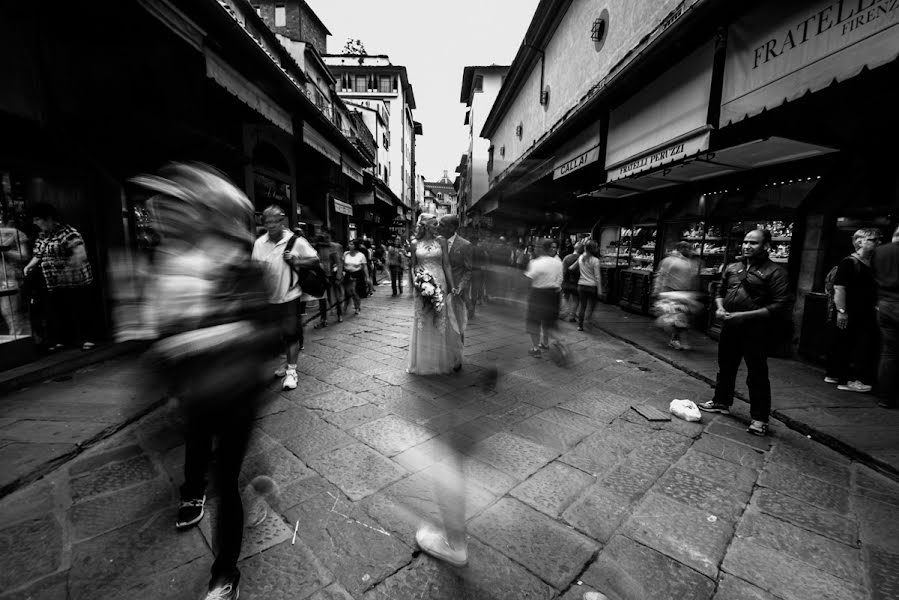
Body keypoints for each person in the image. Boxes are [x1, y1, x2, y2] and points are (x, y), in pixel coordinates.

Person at [130, 163, 279, 600]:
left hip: (235, 395)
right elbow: (159, 331)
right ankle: (193, 493)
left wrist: (197, 338)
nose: (173, 219)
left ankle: (224, 573)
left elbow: (266, 332)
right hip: (194, 394)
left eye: (185, 209)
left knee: (225, 481)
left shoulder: (242, 267)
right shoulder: (171, 263)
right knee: (199, 454)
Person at [698, 229, 791, 436]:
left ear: (766, 246)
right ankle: (721, 401)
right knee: (726, 366)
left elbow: (781, 304)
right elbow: (720, 291)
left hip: (757, 329)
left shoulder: (775, 272)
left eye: (754, 243)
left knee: (756, 373)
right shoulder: (733, 267)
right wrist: (720, 308)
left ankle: (759, 418)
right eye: (745, 242)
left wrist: (745, 316)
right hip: (730, 325)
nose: (747, 246)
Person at [251, 205, 319, 390]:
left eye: (274, 221)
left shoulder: (295, 241)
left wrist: (297, 261)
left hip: (290, 296)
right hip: (269, 298)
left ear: (282, 221)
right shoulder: (259, 243)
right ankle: (284, 363)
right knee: (276, 336)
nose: (271, 225)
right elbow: (256, 269)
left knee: (291, 335)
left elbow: (315, 260)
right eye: (267, 222)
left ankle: (292, 372)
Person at [23, 202, 96, 351]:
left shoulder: (68, 232)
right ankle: (61, 340)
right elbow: (38, 254)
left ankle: (85, 339)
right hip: (54, 281)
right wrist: (30, 265)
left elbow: (81, 253)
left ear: (48, 218)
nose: (35, 222)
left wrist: (69, 268)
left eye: (37, 219)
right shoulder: (42, 236)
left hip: (75, 280)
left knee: (77, 309)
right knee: (58, 310)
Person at [824, 228, 882, 393]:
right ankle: (846, 380)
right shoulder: (849, 262)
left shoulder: (869, 262)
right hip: (851, 311)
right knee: (851, 345)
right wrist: (842, 311)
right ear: (860, 241)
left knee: (843, 342)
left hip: (860, 310)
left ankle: (834, 374)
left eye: (879, 239)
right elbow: (839, 288)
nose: (878, 243)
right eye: (873, 240)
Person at [407, 213, 458, 375]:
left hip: (440, 283)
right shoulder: (414, 243)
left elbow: (447, 265)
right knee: (423, 319)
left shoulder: (441, 241)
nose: (438, 227)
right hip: (422, 284)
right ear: (425, 225)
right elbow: (413, 266)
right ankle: (423, 362)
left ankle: (440, 361)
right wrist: (416, 282)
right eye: (434, 224)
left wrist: (452, 286)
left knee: (439, 319)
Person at [438, 215, 473, 369]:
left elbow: (468, 270)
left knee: (457, 326)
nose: (439, 226)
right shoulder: (436, 242)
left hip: (456, 293)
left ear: (452, 228)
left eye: (442, 224)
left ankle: (457, 358)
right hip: (438, 290)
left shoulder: (465, 245)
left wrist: (460, 286)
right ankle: (443, 355)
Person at [652, 241, 701, 350]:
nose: (689, 250)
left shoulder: (691, 262)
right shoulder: (669, 261)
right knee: (676, 319)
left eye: (689, 248)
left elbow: (692, 278)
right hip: (670, 292)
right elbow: (660, 275)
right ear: (680, 248)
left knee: (680, 319)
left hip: (684, 294)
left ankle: (676, 338)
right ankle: (675, 338)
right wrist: (657, 290)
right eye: (686, 248)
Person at [870, 224, 899, 408]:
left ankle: (886, 397)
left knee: (889, 353)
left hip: (885, 303)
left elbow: (873, 275)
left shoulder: (880, 251)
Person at [525, 238, 563, 357]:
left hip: (538, 294)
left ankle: (536, 349)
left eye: (537, 246)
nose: (536, 248)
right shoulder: (558, 262)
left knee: (534, 322)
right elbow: (560, 279)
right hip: (554, 295)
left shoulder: (535, 263)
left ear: (541, 249)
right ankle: (560, 342)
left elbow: (528, 280)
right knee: (550, 322)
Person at [0, 213, 31, 338]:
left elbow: (24, 256)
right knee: (9, 313)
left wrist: (4, 251)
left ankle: (20, 341)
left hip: (10, 277)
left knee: (11, 312)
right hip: (4, 277)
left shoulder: (14, 233)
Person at [314, 230, 343, 329]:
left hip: (332, 276)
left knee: (336, 296)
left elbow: (338, 263)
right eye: (323, 237)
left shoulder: (334, 247)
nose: (325, 239)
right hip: (322, 275)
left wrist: (338, 276)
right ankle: (323, 318)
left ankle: (339, 314)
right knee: (322, 298)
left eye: (327, 237)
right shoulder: (318, 247)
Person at [571, 240, 602, 331]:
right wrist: (600, 289)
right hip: (592, 286)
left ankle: (580, 326)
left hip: (581, 285)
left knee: (582, 306)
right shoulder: (595, 260)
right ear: (594, 249)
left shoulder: (580, 258)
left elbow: (571, 268)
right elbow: (597, 277)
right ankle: (588, 319)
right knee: (592, 304)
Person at [342, 239, 370, 315]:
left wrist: (367, 277)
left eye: (351, 244)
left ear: (355, 246)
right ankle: (346, 306)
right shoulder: (346, 254)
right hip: (347, 275)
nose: (349, 246)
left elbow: (364, 267)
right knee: (347, 292)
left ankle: (357, 306)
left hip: (357, 275)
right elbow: (342, 264)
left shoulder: (361, 255)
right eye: (349, 244)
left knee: (354, 291)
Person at [561, 242, 583, 322]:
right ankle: (572, 316)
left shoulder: (567, 257)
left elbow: (563, 271)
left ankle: (563, 313)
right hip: (577, 282)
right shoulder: (582, 259)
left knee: (565, 297)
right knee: (575, 299)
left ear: (574, 248)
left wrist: (562, 281)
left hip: (566, 281)